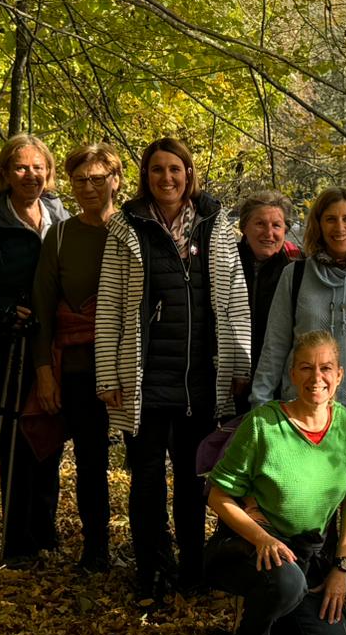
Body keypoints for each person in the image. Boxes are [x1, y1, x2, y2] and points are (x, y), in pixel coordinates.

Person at [96, 137, 251, 601]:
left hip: (201, 382)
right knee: (146, 483)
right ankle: (152, 572)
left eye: (175, 169)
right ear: (146, 176)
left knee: (192, 481)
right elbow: (110, 305)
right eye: (157, 169)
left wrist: (240, 364)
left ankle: (192, 570)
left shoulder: (214, 225)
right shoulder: (128, 227)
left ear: (188, 174)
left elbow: (235, 300)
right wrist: (108, 375)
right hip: (143, 380)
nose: (167, 178)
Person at [251, 187, 346, 632]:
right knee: (307, 507)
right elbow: (277, 342)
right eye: (331, 219)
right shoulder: (296, 276)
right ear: (318, 225)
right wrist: (261, 404)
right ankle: (305, 596)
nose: (340, 228)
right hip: (302, 411)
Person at [206, 331, 346, 635]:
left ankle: (275, 614)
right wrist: (261, 538)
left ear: (339, 375)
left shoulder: (344, 424)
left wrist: (341, 569)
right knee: (286, 583)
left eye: (326, 368)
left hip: (308, 555)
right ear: (292, 374)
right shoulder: (263, 424)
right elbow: (218, 495)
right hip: (250, 548)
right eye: (306, 367)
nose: (316, 377)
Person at [0, 133, 68, 563]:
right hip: (8, 347)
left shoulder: (61, 219)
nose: (31, 175)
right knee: (16, 439)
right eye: (21, 167)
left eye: (38, 167)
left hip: (55, 345)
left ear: (49, 172)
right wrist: (4, 309)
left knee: (49, 436)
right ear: (5, 174)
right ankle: (17, 541)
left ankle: (44, 532)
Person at [31, 143, 122, 573]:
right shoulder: (62, 235)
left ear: (116, 181)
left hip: (132, 366)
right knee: (90, 460)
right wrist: (44, 373)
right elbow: (44, 307)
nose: (88, 187)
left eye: (97, 178)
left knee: (144, 463)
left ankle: (151, 548)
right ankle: (96, 548)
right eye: (80, 179)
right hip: (80, 368)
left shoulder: (133, 231)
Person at [235, 189, 300, 368]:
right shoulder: (225, 263)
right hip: (230, 370)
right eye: (260, 224)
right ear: (244, 227)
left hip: (280, 371)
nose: (268, 233)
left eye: (276, 226)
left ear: (285, 230)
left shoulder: (297, 269)